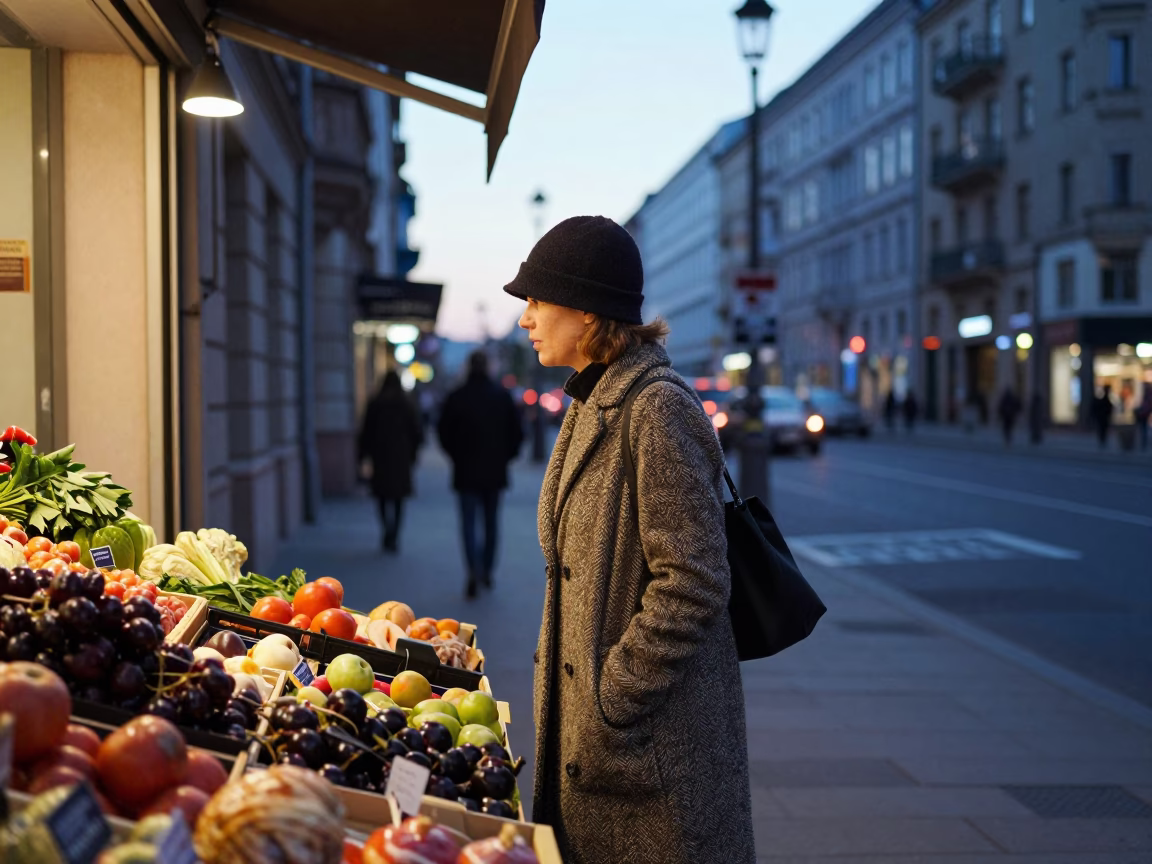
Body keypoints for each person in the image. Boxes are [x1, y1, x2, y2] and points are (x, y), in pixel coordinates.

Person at [505, 215, 754, 864]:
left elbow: (694, 580)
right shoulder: (593, 400)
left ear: (586, 312)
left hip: (652, 759)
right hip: (600, 747)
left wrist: (612, 695)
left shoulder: (656, 407)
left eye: (535, 300)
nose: (525, 318)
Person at [437, 351, 524, 598]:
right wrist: (505, 458)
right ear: (487, 367)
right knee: (491, 523)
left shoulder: (457, 396)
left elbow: (443, 433)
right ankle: (486, 569)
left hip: (465, 472)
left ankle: (472, 570)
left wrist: (455, 456)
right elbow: (517, 434)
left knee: (468, 524)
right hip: (494, 473)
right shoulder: (501, 396)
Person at [358, 370, 423, 553]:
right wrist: (413, 455)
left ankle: (386, 531)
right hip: (401, 459)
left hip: (381, 458)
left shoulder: (376, 404)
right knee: (398, 499)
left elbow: (366, 433)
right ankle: (394, 535)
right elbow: (417, 433)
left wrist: (362, 456)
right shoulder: (407, 404)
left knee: (382, 497)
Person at [1091, 384, 1115, 448]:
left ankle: (1102, 441)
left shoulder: (1105, 399)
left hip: (1103, 418)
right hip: (1102, 417)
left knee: (1103, 430)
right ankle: (1102, 441)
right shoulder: (1103, 400)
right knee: (1102, 429)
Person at [1135, 384, 1152, 452]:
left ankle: (1144, 443)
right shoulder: (1146, 395)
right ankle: (1143, 442)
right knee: (1143, 429)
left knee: (1144, 429)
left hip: (1144, 413)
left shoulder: (1148, 396)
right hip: (1144, 414)